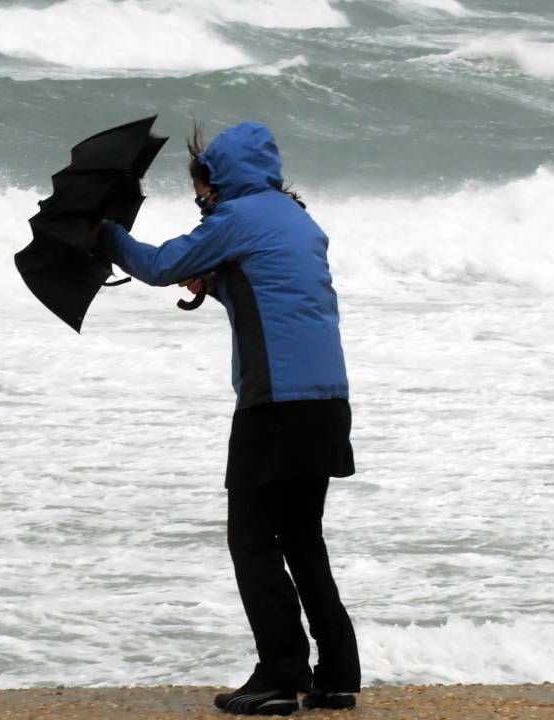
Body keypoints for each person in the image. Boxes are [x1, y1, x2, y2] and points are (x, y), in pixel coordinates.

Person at [98, 120, 361, 716]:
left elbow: (160, 263)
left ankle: (279, 674)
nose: (200, 202)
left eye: (201, 190)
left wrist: (105, 234)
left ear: (219, 180)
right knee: (301, 537)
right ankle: (338, 674)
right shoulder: (297, 218)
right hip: (327, 401)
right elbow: (275, 291)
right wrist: (219, 284)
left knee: (251, 540)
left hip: (275, 403)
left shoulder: (236, 219)